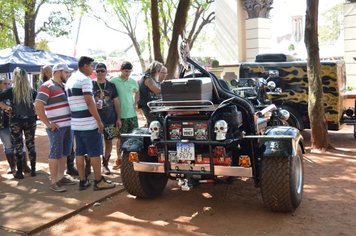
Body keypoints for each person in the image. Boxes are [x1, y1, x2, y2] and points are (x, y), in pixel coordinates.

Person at [65, 56, 115, 191]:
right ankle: (98, 181)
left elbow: (80, 101)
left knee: (80, 152)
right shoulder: (85, 79)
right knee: (94, 153)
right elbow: (88, 101)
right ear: (85, 66)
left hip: (76, 123)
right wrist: (98, 121)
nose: (93, 70)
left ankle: (83, 180)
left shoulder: (70, 80)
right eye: (92, 66)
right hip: (88, 123)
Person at [35, 63, 77, 192]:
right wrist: (47, 124)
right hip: (56, 127)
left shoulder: (63, 86)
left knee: (64, 153)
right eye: (66, 72)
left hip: (68, 126)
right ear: (58, 72)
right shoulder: (46, 86)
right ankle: (54, 182)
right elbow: (38, 105)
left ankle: (60, 177)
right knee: (55, 154)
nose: (68, 75)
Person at [0, 67, 37, 179]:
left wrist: (7, 108)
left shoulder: (11, 91)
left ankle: (19, 172)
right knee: (31, 144)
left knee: (18, 145)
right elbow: (39, 103)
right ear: (26, 78)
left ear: (15, 78)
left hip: (15, 120)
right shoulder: (32, 91)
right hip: (30, 120)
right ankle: (33, 170)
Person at [93, 63, 121, 174]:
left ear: (106, 72)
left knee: (109, 142)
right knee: (94, 142)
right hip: (95, 120)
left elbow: (116, 102)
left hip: (110, 119)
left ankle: (105, 165)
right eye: (98, 71)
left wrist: (118, 118)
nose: (100, 73)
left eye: (102, 71)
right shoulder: (91, 85)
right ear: (95, 72)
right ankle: (92, 167)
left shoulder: (111, 85)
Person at [110, 61, 139, 170]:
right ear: (121, 70)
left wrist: (135, 103)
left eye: (129, 71)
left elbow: (137, 92)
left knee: (134, 138)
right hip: (119, 116)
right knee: (119, 138)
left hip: (132, 115)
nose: (128, 73)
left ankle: (131, 160)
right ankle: (118, 159)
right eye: (126, 71)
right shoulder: (113, 81)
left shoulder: (133, 81)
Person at [138, 61, 163, 126]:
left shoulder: (150, 77)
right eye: (160, 70)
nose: (160, 72)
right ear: (157, 70)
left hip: (151, 106)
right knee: (156, 124)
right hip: (148, 106)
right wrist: (169, 89)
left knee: (152, 125)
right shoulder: (148, 78)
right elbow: (157, 90)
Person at [0, 78, 15, 174]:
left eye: (9, 84)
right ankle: (12, 167)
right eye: (5, 84)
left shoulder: (11, 94)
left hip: (13, 123)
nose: (7, 85)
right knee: (8, 145)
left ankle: (22, 166)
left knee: (18, 144)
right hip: (2, 125)